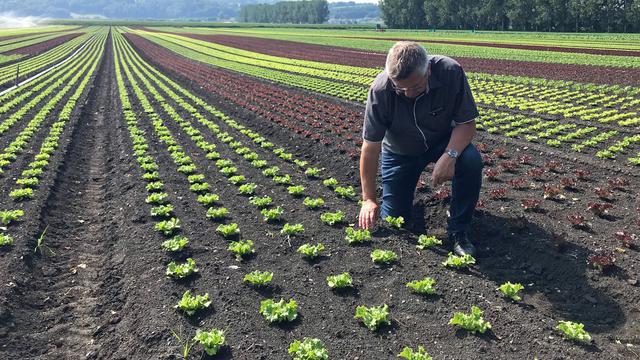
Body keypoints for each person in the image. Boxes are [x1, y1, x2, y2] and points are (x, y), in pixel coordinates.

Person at [357, 41, 483, 257]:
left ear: (429, 70)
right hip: (400, 151)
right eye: (401, 88)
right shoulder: (380, 90)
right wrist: (368, 199)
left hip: (441, 141)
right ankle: (412, 210)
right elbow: (370, 147)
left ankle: (458, 230)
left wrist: (449, 155)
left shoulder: (450, 72)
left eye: (415, 87)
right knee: (396, 223)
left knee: (470, 159)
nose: (408, 94)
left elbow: (466, 123)